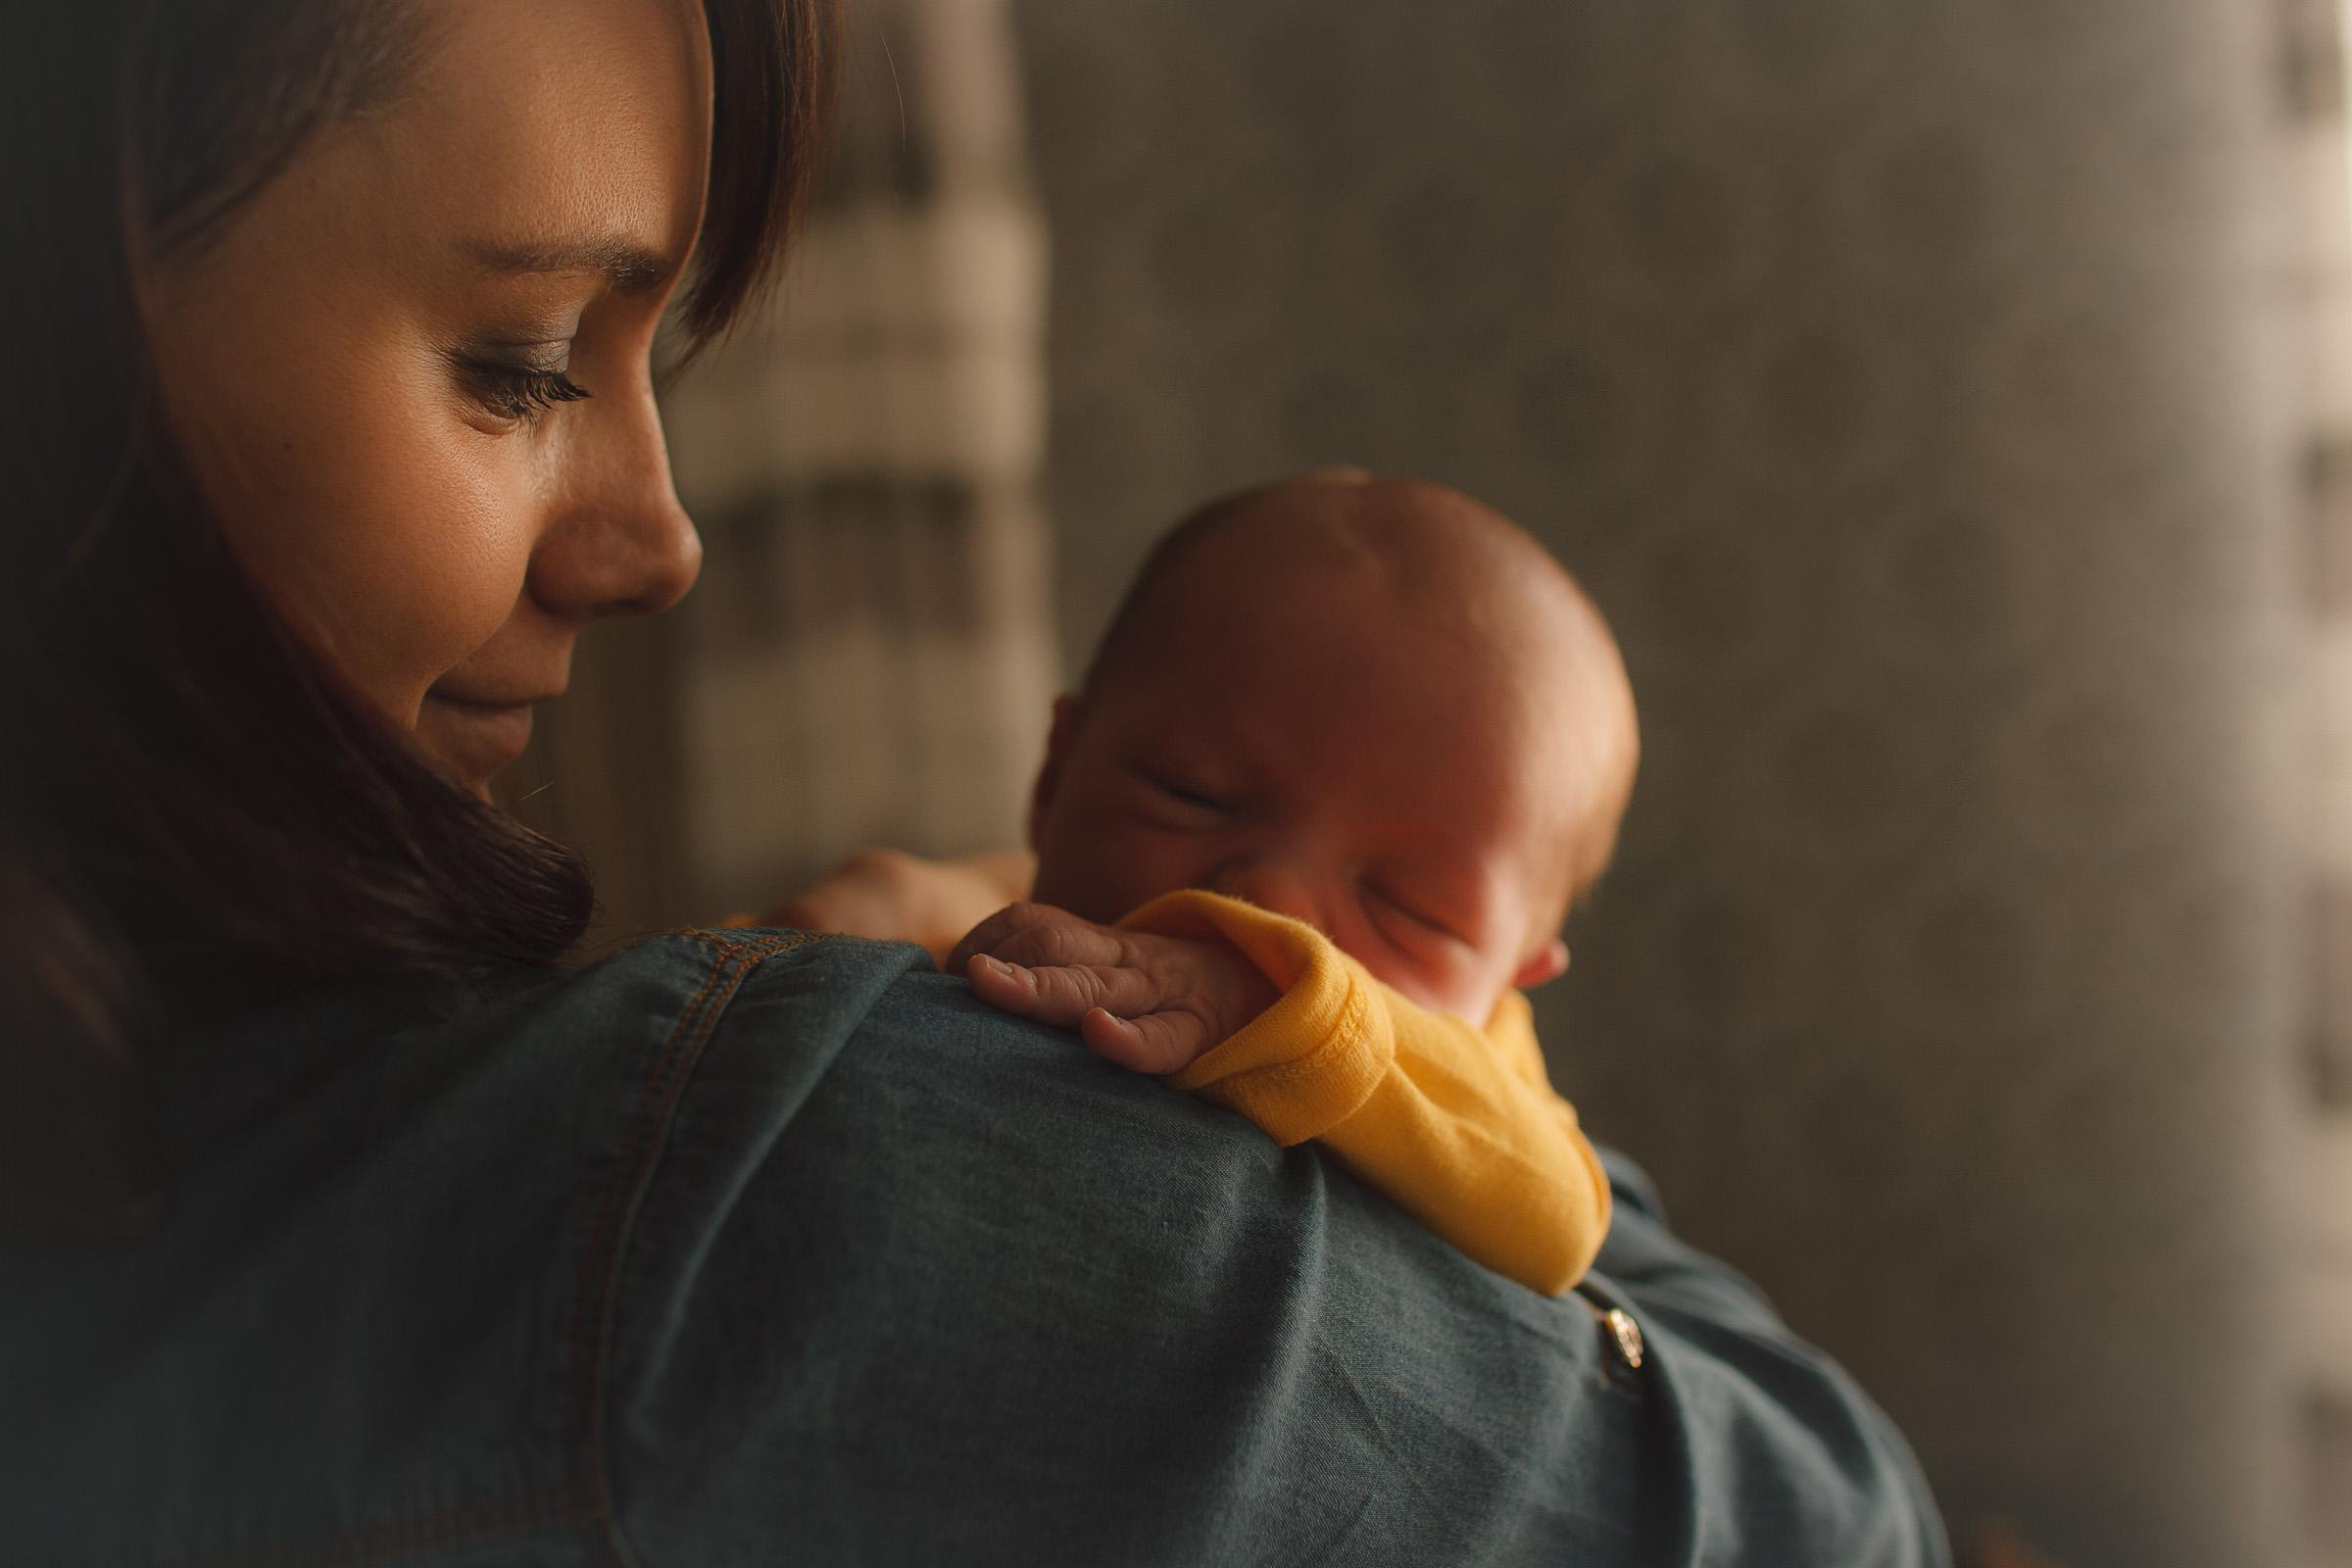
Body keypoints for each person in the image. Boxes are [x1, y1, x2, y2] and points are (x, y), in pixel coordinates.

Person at [0, 2, 1953, 1564]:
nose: (660, 536)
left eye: (648, 355)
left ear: (1529, 962)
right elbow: (1842, 1517)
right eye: (518, 358)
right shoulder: (818, 1176)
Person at [774, 471, 1637, 1297]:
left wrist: (1289, 1009)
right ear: (1054, 780)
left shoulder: (1480, 1080)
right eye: (1194, 797)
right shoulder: (959, 964)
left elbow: (1563, 1221)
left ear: (1515, 975)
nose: (1272, 903)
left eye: (1409, 906)